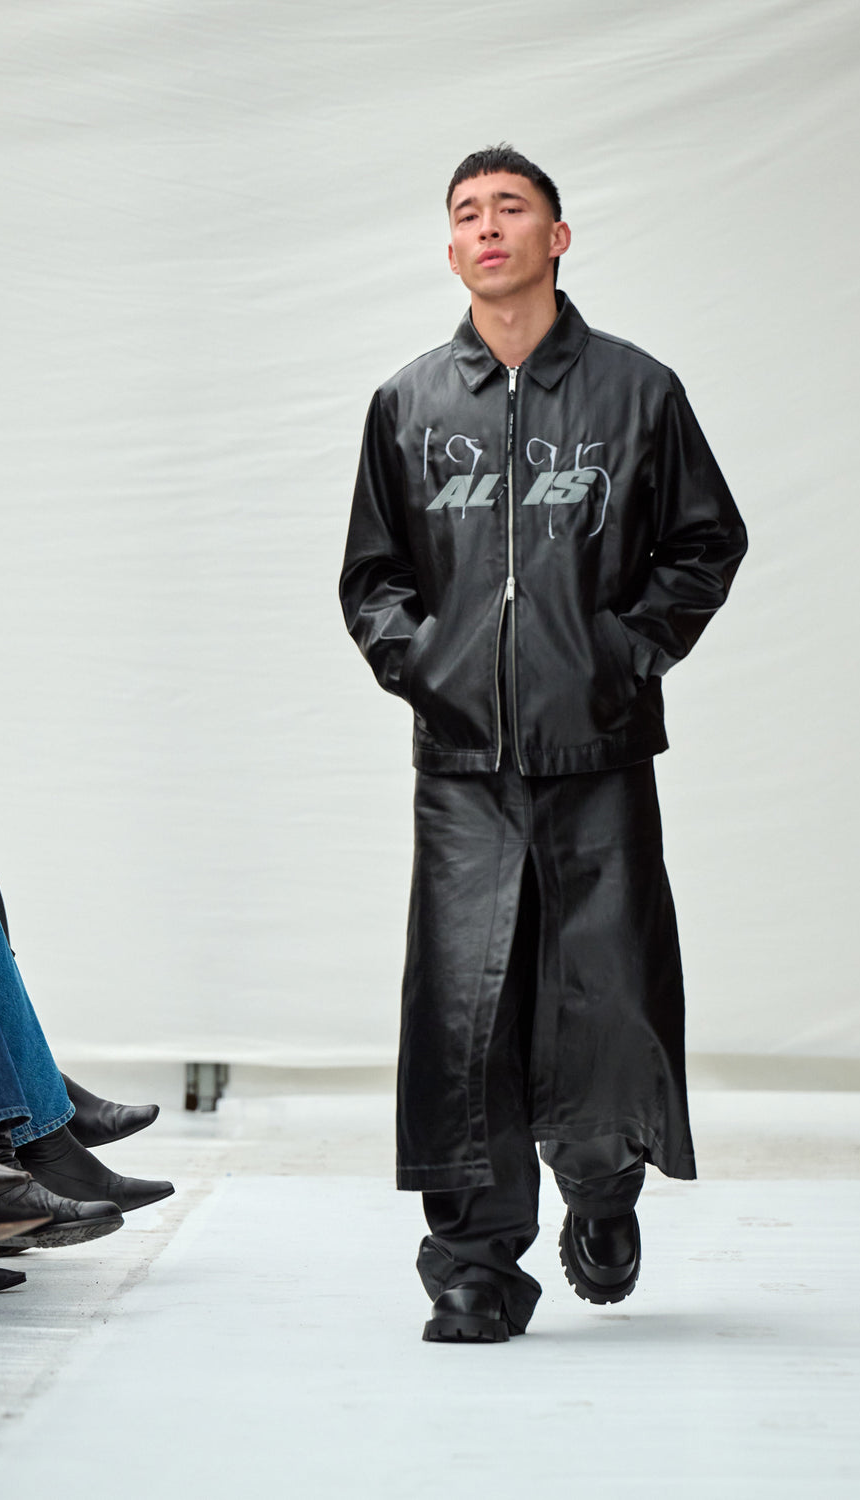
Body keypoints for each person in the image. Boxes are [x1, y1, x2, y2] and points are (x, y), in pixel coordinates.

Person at [340, 144, 747, 1341]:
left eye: (510, 208)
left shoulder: (637, 391)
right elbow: (372, 578)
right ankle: (473, 1265)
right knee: (465, 1015)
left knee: (603, 995)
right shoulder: (410, 404)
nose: (487, 226)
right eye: (467, 212)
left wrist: (624, 658)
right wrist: (427, 672)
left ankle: (604, 1189)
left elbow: (705, 542)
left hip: (599, 752)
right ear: (450, 249)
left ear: (555, 237)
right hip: (464, 767)